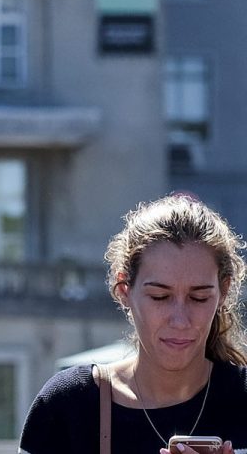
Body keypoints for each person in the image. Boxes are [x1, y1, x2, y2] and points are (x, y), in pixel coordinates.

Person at [20, 194, 247, 453]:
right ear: (124, 289)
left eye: (199, 298)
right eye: (160, 297)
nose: (180, 320)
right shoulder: (69, 405)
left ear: (224, 291)